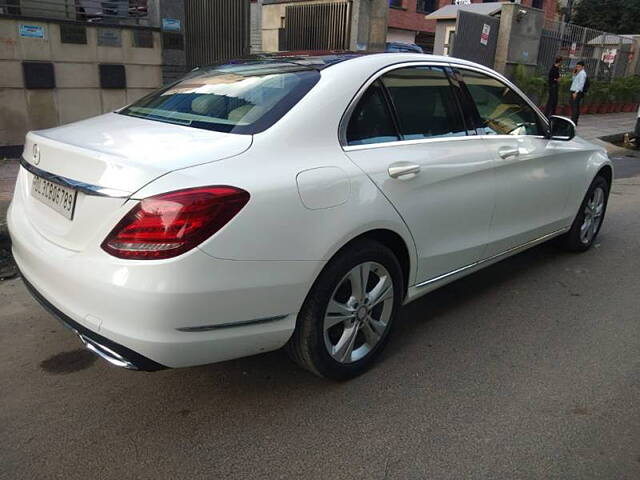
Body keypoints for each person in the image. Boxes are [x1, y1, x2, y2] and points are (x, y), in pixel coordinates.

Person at [570, 61, 587, 125]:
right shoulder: (579, 73)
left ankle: (574, 121)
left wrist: (576, 92)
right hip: (574, 91)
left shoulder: (582, 73)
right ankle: (574, 120)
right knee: (574, 106)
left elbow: (581, 84)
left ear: (583, 67)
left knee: (575, 107)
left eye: (579, 67)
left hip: (576, 91)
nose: (577, 68)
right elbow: (574, 81)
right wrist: (574, 74)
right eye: (577, 67)